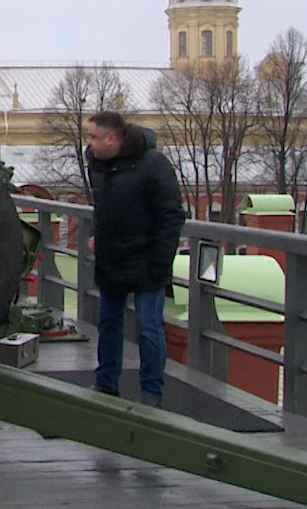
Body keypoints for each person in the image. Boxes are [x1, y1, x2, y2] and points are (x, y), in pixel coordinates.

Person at [84, 111, 185, 408]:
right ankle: (106, 385)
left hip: (147, 260)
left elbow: (171, 215)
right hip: (112, 258)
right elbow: (105, 209)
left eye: (93, 137)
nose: (88, 144)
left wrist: (161, 261)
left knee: (149, 327)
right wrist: (98, 238)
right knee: (109, 323)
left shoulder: (153, 165)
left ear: (112, 138)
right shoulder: (98, 165)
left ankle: (151, 394)